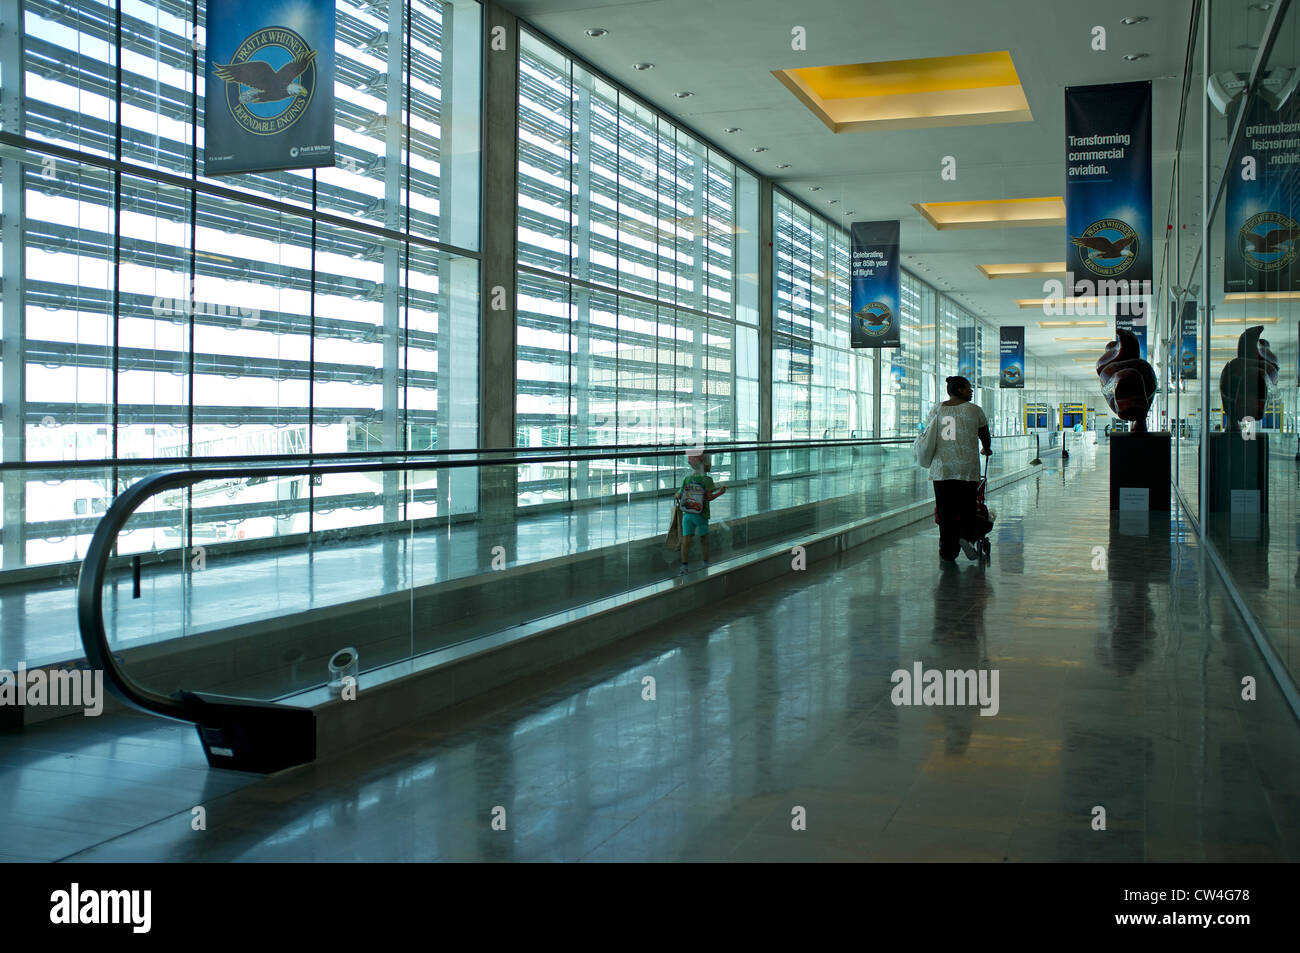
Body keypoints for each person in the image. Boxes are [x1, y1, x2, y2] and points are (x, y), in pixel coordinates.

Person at [926, 376, 992, 563]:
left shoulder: (936, 409)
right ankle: (966, 537)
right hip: (966, 468)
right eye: (968, 388)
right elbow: (984, 435)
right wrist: (986, 449)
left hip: (942, 469)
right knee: (967, 508)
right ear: (960, 389)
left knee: (945, 511)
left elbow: (928, 434)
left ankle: (948, 550)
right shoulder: (974, 410)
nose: (971, 391)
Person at [675, 449, 725, 574]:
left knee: (686, 541)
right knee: (704, 540)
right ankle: (705, 564)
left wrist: (677, 496)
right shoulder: (707, 480)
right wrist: (720, 492)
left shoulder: (687, 479)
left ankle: (684, 566)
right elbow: (708, 498)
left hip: (687, 515)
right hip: (701, 515)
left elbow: (678, 495)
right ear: (705, 463)